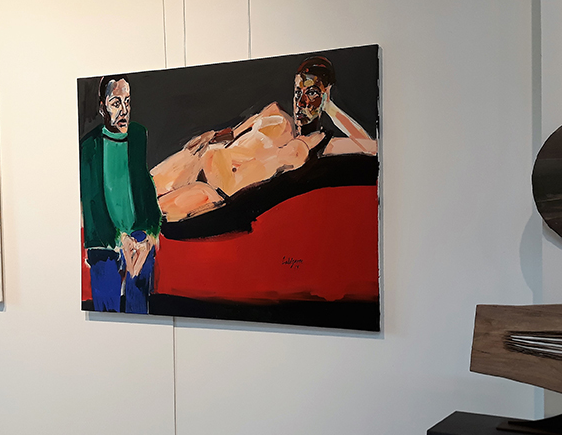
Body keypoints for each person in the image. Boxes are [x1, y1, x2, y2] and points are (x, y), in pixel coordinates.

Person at [153, 56, 377, 222]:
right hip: (198, 160)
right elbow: (235, 133)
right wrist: (211, 136)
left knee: (149, 217)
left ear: (325, 94)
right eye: (298, 92)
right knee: (140, 190)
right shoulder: (274, 113)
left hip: (212, 189)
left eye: (312, 93)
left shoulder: (318, 144)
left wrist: (330, 108)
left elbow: (372, 147)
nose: (301, 103)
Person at [80, 75, 163, 313]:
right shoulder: (89, 147)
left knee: (140, 311)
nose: (124, 110)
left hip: (139, 236)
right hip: (104, 240)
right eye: (116, 103)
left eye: (127, 101)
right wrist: (120, 240)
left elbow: (146, 188)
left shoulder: (138, 135)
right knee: (106, 312)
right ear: (102, 107)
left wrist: (150, 234)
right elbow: (92, 204)